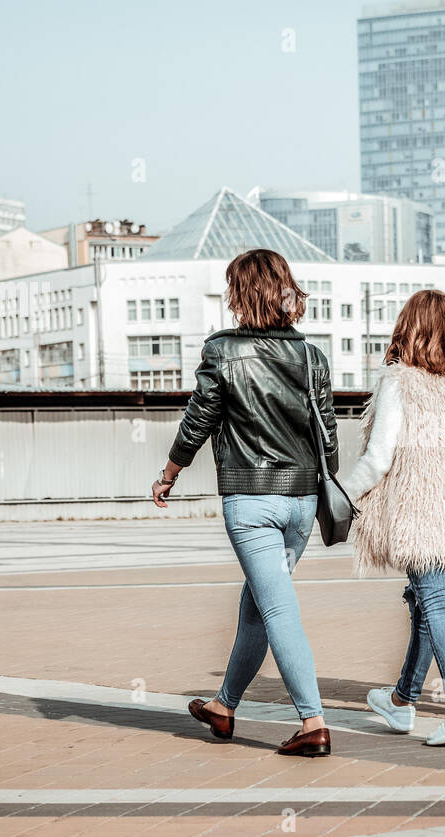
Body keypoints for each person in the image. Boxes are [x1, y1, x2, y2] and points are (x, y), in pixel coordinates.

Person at [152, 248, 338, 758]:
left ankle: (313, 723)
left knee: (275, 607)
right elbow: (329, 433)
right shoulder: (310, 355)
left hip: (251, 499)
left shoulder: (221, 351)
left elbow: (200, 418)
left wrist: (170, 472)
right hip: (301, 500)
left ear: (240, 293)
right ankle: (224, 706)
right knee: (257, 605)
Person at [340, 290, 445, 746]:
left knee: (436, 605)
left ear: (410, 328)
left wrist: (342, 494)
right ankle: (403, 700)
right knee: (427, 605)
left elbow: (378, 458)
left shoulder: (400, 382)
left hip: (417, 513)